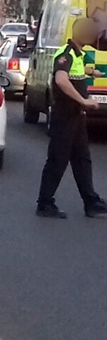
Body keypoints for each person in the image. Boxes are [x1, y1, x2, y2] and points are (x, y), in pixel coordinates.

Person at [36, 18, 107, 219]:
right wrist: (83, 101)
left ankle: (91, 202)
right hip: (64, 117)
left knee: (82, 160)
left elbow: (74, 72)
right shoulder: (65, 54)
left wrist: (90, 71)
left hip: (76, 118)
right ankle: (45, 203)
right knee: (58, 160)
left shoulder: (77, 55)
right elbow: (61, 79)